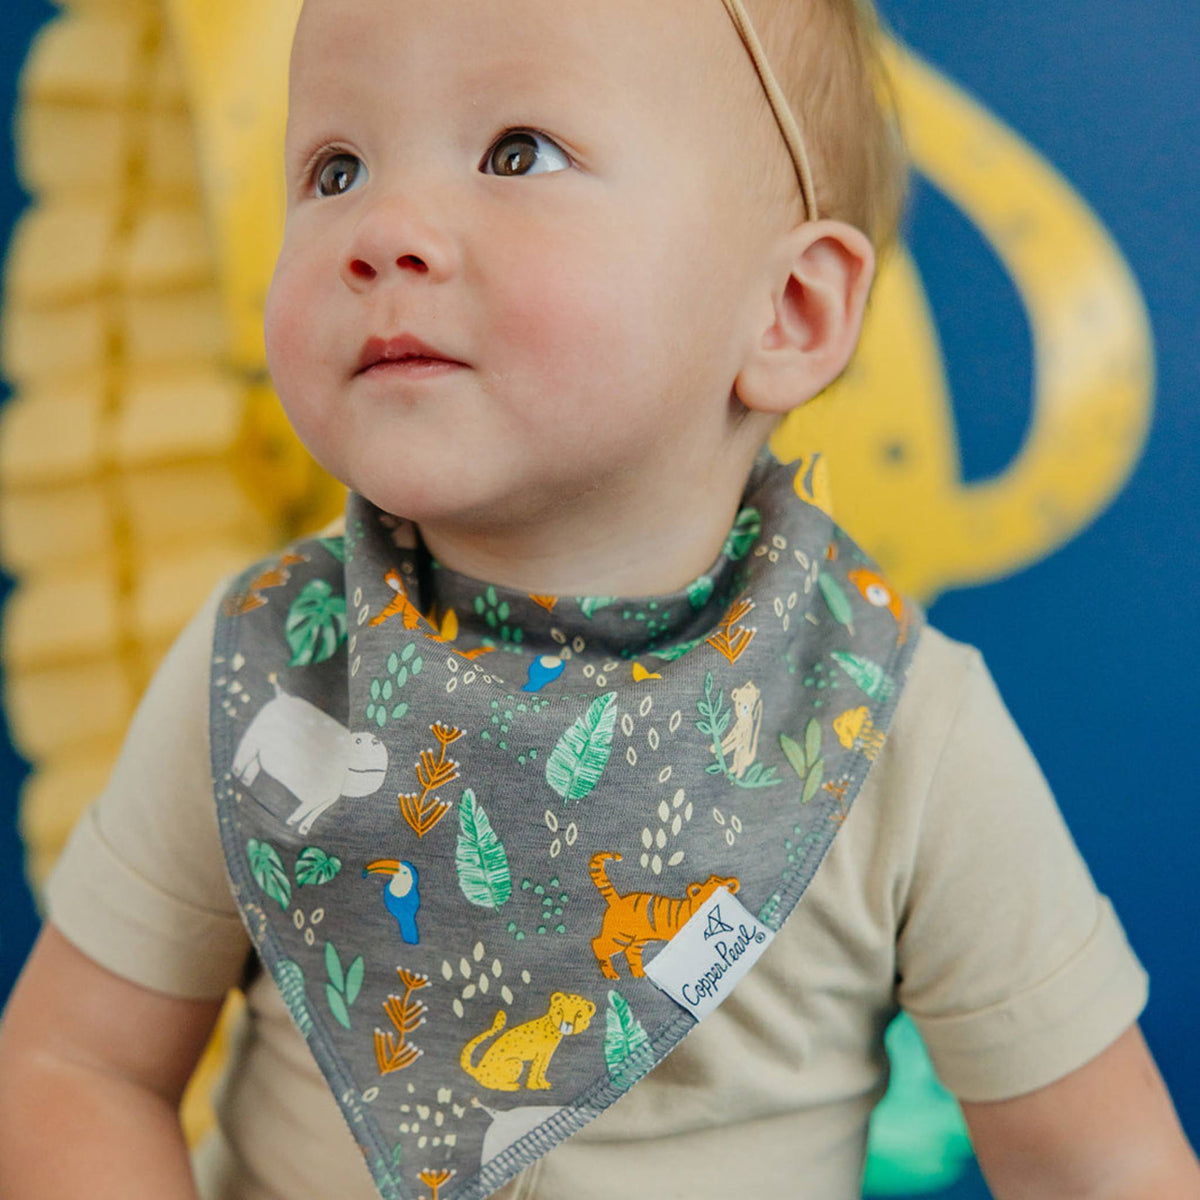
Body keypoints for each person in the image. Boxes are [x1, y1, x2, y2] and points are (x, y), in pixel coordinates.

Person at [0, 1, 1197, 1197]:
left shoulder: (893, 729)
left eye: (518, 151)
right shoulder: (270, 666)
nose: (381, 229)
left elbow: (1106, 1172)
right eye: (337, 167)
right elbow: (73, 1064)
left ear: (789, 314)